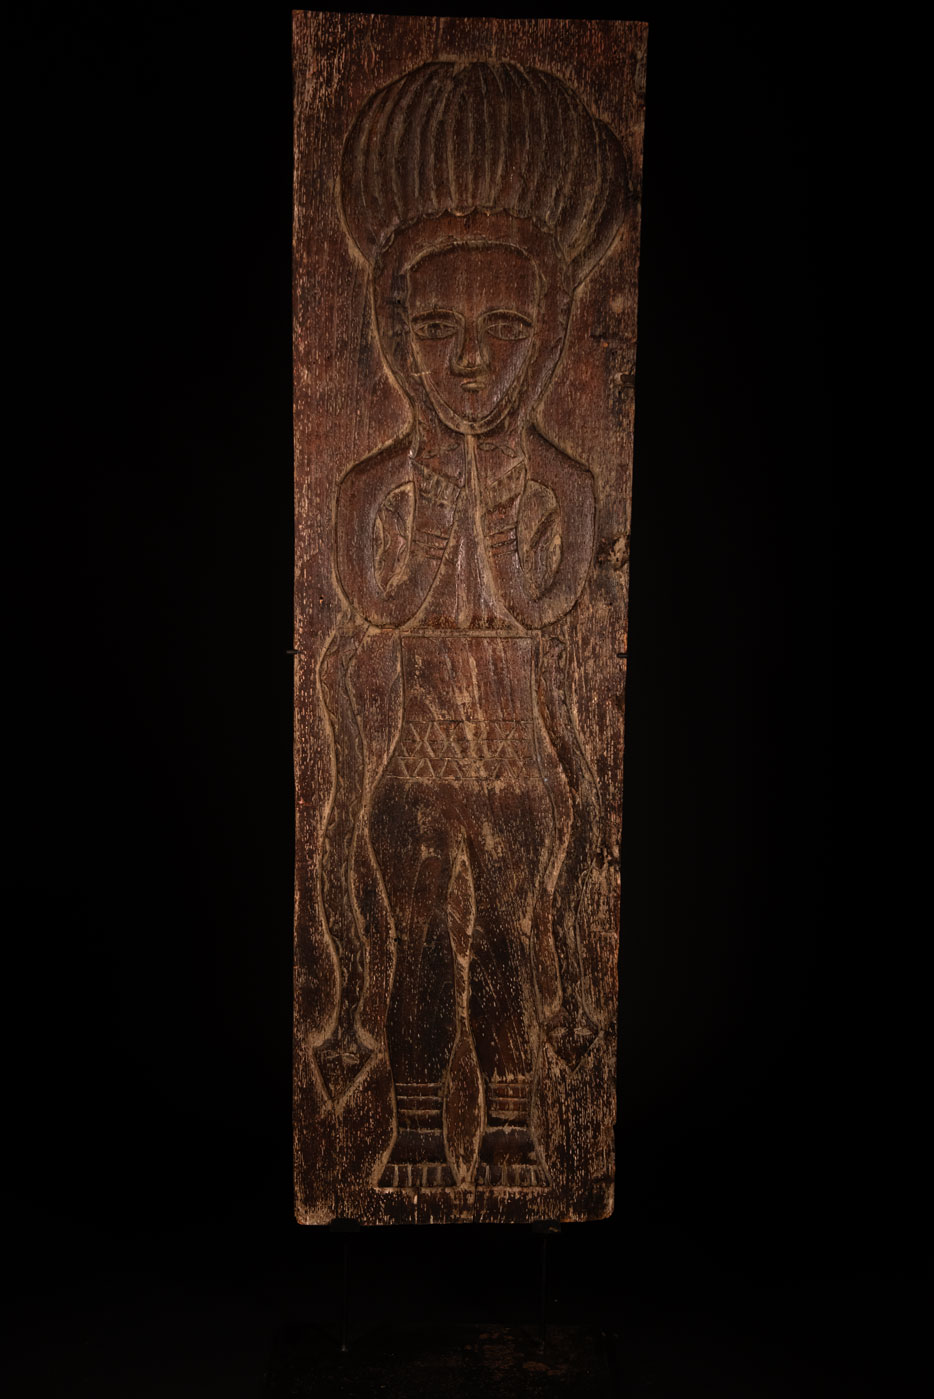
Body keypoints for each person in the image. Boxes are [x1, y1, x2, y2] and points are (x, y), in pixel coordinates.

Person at [320, 60, 627, 1189]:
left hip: (516, 752)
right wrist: (432, 542)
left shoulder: (563, 478)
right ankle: (408, 1136)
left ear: (548, 335)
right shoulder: (370, 481)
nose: (468, 359)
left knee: (507, 940)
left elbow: (556, 605)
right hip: (412, 753)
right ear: (395, 331)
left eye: (505, 326)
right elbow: (368, 604)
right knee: (412, 947)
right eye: (439, 327)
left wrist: (499, 534)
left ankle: (511, 1134)